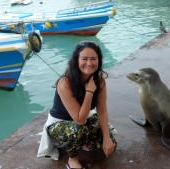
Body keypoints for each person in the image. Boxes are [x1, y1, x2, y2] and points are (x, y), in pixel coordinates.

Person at [37, 41, 117, 169]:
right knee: (79, 129)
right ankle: (72, 160)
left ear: (99, 60)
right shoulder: (65, 83)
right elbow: (79, 120)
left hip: (82, 120)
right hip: (59, 123)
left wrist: (107, 139)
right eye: (84, 59)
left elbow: (102, 111)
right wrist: (89, 91)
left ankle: (86, 140)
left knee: (111, 145)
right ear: (76, 60)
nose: (89, 63)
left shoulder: (100, 80)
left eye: (93, 59)